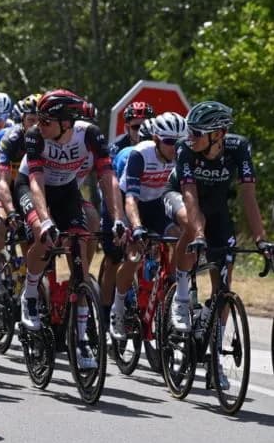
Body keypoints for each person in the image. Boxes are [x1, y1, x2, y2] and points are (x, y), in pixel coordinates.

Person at [164, 102, 272, 390]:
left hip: (217, 208)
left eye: (198, 132)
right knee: (191, 220)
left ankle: (215, 361)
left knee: (223, 284)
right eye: (190, 131)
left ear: (219, 134)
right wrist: (198, 233)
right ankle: (182, 295)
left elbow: (248, 196)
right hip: (180, 197)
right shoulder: (186, 150)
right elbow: (188, 193)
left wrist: (261, 239)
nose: (191, 137)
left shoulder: (239, 148)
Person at [16, 89, 124, 370]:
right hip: (32, 187)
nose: (39, 124)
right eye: (37, 119)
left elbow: (107, 178)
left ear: (66, 122)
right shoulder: (36, 136)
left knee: (81, 244)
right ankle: (29, 294)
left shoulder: (89, 134)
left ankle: (80, 337)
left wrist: (118, 218)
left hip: (66, 191)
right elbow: (37, 182)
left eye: (45, 120)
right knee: (43, 233)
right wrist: (45, 220)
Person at [107, 112, 185, 340]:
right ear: (157, 139)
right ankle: (118, 309)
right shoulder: (141, 154)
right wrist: (137, 227)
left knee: (180, 237)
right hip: (133, 203)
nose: (175, 147)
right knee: (134, 256)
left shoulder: (181, 156)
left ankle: (172, 289)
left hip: (159, 204)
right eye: (170, 142)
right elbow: (130, 197)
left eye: (179, 142)